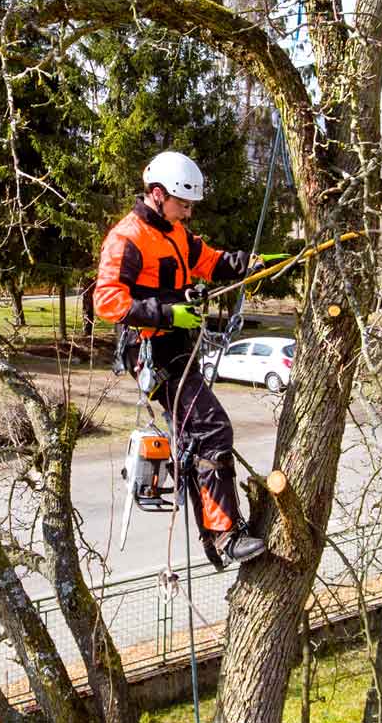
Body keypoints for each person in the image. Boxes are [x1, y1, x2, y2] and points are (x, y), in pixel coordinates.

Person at [94, 150, 267, 567]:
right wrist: (168, 313)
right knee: (211, 430)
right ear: (158, 194)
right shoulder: (127, 237)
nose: (188, 213)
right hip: (152, 350)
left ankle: (216, 536)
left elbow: (210, 261)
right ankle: (224, 536)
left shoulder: (176, 234)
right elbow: (107, 300)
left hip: (179, 348)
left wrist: (252, 264)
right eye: (183, 204)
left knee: (196, 439)